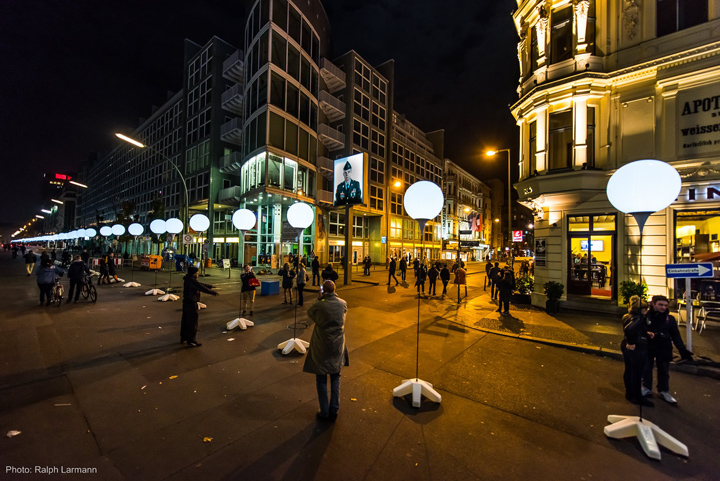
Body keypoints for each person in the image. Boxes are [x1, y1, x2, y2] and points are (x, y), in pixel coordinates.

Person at [303, 280, 349, 422]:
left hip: (322, 344)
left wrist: (319, 297)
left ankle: (324, 411)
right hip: (337, 344)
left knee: (321, 377)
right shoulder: (342, 303)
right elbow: (343, 317)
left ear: (323, 290)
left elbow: (310, 313)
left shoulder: (319, 304)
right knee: (336, 377)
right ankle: (334, 408)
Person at [643, 295, 693, 404]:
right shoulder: (646, 316)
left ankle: (664, 391)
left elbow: (676, 336)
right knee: (646, 367)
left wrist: (682, 350)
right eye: (660, 305)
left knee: (664, 370)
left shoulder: (669, 319)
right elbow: (640, 330)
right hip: (649, 346)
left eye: (665, 305)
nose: (663, 307)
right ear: (653, 304)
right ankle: (646, 388)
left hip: (664, 347)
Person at [621, 296, 654, 407]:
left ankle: (629, 393)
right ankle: (637, 397)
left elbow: (631, 330)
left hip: (628, 346)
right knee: (637, 373)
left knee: (629, 370)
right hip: (637, 348)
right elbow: (629, 329)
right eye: (645, 309)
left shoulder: (627, 316)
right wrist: (631, 342)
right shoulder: (639, 318)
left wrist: (646, 333)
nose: (647, 311)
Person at [181, 266, 219, 347]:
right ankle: (191, 340)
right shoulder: (192, 281)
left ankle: (184, 337)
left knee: (185, 320)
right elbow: (201, 287)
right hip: (191, 302)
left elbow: (200, 284)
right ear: (194, 273)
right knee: (192, 322)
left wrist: (210, 286)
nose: (198, 273)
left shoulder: (189, 279)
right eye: (197, 272)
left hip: (186, 302)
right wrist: (212, 292)